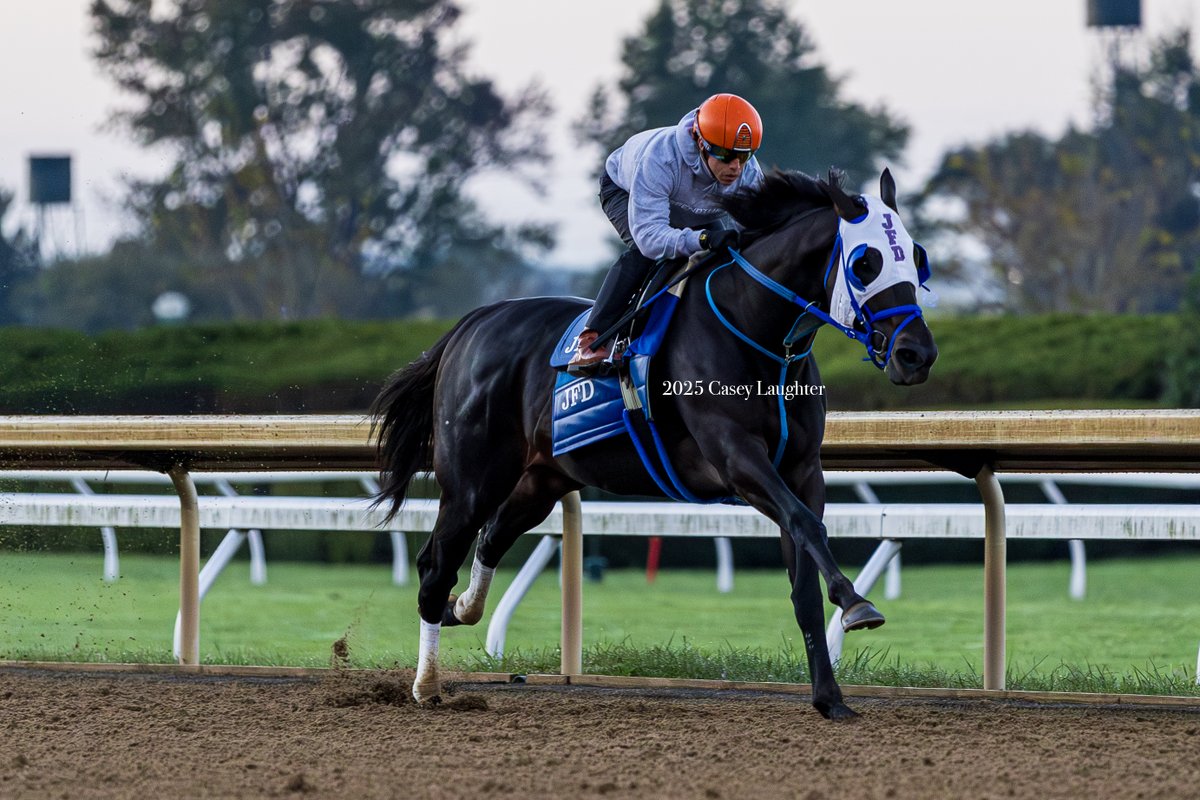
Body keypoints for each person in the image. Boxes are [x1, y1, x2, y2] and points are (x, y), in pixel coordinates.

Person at [567, 93, 766, 374]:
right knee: (646, 254)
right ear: (700, 142)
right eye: (725, 155)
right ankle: (594, 339)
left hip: (695, 210)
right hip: (625, 189)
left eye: (745, 156)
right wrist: (701, 239)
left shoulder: (747, 173)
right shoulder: (661, 158)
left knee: (725, 257)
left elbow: (759, 231)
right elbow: (650, 238)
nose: (735, 167)